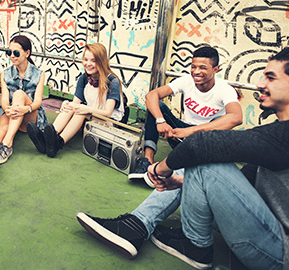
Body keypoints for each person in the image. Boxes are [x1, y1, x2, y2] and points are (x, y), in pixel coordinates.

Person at [77, 48, 289, 270]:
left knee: (202, 153)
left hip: (278, 253)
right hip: (261, 226)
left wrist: (159, 169)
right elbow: (245, 184)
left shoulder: (282, 136)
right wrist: (181, 182)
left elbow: (204, 142)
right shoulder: (277, 131)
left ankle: (182, 238)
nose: (259, 83)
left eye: (271, 77)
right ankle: (140, 225)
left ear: (215, 70)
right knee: (192, 157)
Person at [128, 46, 242, 187]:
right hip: (179, 137)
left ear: (215, 69)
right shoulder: (187, 80)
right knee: (158, 107)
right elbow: (152, 95)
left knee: (218, 122)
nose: (196, 72)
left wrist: (191, 131)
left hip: (204, 141)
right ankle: (147, 161)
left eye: (203, 68)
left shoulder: (225, 90)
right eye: (193, 67)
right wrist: (160, 120)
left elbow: (236, 117)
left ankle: (183, 170)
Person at [27, 43, 125, 158]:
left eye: (93, 61)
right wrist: (66, 104)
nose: (88, 64)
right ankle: (48, 136)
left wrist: (85, 109)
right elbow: (75, 104)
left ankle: (58, 142)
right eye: (85, 59)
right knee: (72, 107)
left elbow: (108, 113)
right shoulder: (84, 78)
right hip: (93, 116)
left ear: (101, 61)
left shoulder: (112, 82)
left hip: (111, 122)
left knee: (81, 112)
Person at [0, 35, 46, 171]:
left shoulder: (39, 74)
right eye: (9, 52)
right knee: (3, 127)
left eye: (16, 53)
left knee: (19, 94)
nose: (12, 56)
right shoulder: (5, 74)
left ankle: (7, 144)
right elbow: (4, 99)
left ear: (27, 53)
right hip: (11, 113)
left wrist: (24, 109)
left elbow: (37, 102)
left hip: (30, 116)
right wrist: (8, 110)